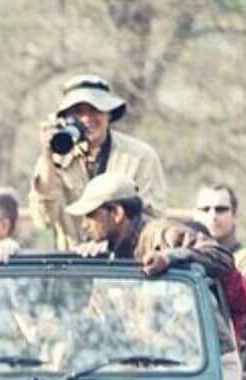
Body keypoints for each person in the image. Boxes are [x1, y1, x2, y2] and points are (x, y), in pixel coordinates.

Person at [67, 172, 246, 346]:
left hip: (206, 359)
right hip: (152, 360)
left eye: (91, 216)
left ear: (117, 213)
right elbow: (97, 316)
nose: (85, 225)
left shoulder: (161, 234)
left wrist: (170, 258)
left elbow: (221, 258)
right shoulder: (111, 251)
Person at [30, 74, 167, 250]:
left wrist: (109, 244)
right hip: (71, 264)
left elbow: (152, 217)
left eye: (95, 110)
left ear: (109, 114)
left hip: (125, 264)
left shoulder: (141, 156)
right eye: (78, 112)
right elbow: (44, 220)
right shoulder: (53, 161)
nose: (87, 119)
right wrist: (47, 154)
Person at [194, 183, 246, 355]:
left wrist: (224, 269)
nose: (213, 216)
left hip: (237, 357)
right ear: (195, 214)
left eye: (220, 209)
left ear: (235, 215)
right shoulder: (185, 255)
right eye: (205, 209)